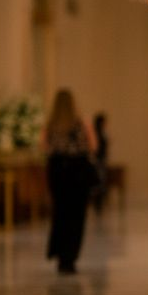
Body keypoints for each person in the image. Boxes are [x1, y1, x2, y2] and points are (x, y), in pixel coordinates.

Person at [42, 89, 96, 274]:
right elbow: (93, 146)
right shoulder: (82, 122)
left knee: (60, 214)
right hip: (78, 172)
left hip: (58, 172)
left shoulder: (50, 125)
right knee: (77, 215)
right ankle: (70, 255)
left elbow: (44, 147)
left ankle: (59, 253)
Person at [91, 112, 110, 213]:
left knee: (101, 182)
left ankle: (99, 204)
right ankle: (97, 204)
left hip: (101, 160)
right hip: (98, 161)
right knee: (99, 182)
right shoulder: (96, 133)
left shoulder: (103, 132)